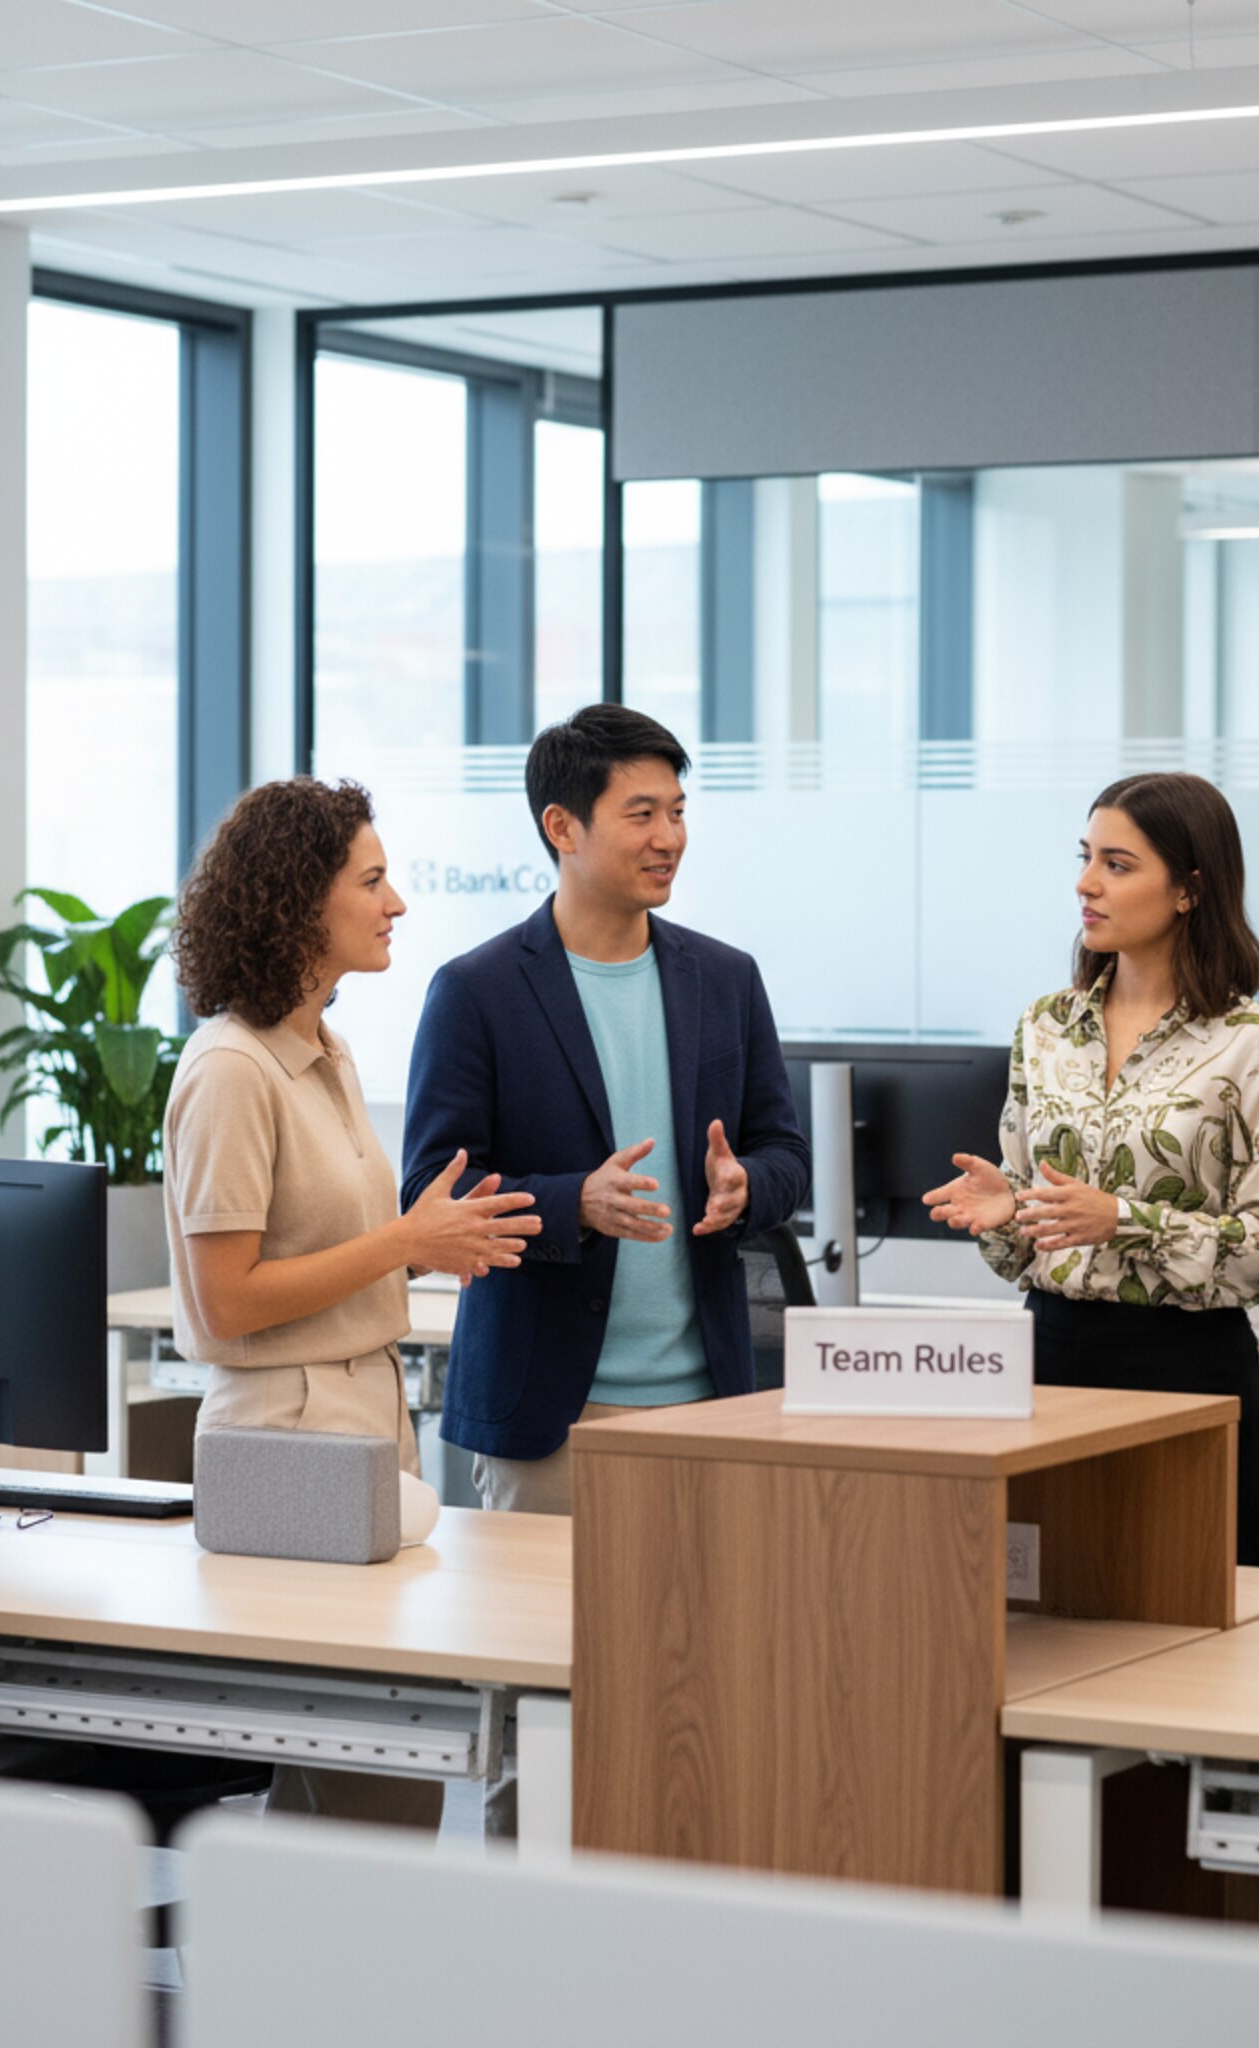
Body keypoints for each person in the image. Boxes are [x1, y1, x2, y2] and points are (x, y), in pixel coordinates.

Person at [166, 777, 535, 1829]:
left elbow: (329, 1258)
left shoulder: (323, 1052)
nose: (397, 902)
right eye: (372, 881)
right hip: (282, 1433)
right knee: (364, 1772)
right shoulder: (232, 1070)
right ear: (296, 901)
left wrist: (419, 1245)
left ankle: (323, 1987)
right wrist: (400, 1241)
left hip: (355, 1420)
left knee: (385, 1774)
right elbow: (224, 1300)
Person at [401, 705, 810, 1516]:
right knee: (543, 1642)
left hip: (712, 1403)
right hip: (552, 1417)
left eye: (678, 812)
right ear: (563, 826)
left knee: (719, 1640)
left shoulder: (727, 980)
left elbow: (784, 1153)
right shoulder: (476, 992)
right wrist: (571, 1204)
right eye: (642, 815)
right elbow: (430, 1197)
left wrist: (747, 1188)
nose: (669, 837)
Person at [922, 772, 1259, 1565]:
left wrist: (1127, 1221)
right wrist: (1008, 1212)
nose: (1085, 884)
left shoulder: (1255, 1045)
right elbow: (1027, 1248)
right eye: (1086, 857)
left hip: (1187, 1368)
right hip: (1051, 1356)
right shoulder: (1045, 1027)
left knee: (1186, 1633)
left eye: (1118, 865)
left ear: (1189, 891)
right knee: (1045, 1612)